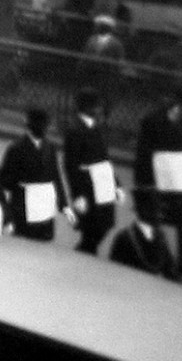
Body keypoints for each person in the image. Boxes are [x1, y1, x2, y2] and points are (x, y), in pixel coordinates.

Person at [134, 93, 182, 279]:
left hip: (180, 176)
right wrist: (144, 180)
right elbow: (144, 151)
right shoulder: (152, 120)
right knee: (157, 219)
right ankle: (161, 261)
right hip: (161, 175)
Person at [62, 88, 120, 256]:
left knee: (104, 223)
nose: (99, 110)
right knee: (93, 227)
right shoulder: (75, 131)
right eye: (96, 106)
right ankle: (84, 254)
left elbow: (104, 159)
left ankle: (85, 252)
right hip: (87, 185)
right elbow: (70, 166)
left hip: (101, 183)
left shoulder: (95, 128)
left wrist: (116, 184)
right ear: (87, 107)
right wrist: (77, 194)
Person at [0, 108, 68, 242]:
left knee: (43, 240)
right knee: (24, 242)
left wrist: (63, 204)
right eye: (39, 125)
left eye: (44, 126)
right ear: (30, 126)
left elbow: (56, 176)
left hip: (44, 204)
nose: (43, 129)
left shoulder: (50, 148)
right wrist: (21, 184)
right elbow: (3, 178)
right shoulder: (16, 148)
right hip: (23, 205)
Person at [109, 196, 182, 280]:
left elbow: (169, 269)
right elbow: (115, 272)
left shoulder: (159, 236)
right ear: (143, 211)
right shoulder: (124, 238)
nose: (161, 215)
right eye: (156, 210)